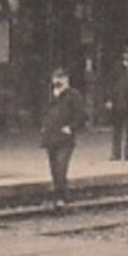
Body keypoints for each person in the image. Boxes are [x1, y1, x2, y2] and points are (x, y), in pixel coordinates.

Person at [40, 67, 88, 199]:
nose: (57, 81)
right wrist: (43, 126)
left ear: (67, 80)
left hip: (65, 138)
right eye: (55, 78)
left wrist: (71, 127)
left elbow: (81, 115)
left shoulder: (74, 95)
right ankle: (61, 195)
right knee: (54, 168)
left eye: (60, 78)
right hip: (50, 136)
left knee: (61, 167)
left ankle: (60, 197)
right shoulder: (49, 95)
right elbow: (44, 112)